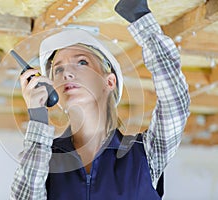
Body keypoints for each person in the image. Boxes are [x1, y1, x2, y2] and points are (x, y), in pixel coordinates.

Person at [10, 0, 190, 199]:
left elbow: (175, 103)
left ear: (109, 82)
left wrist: (140, 18)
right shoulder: (46, 159)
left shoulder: (144, 153)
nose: (66, 73)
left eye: (81, 62)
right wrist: (37, 117)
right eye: (58, 69)